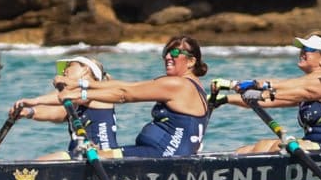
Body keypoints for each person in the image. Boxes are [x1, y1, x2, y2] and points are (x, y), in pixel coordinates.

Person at [70, 35, 214, 158]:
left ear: (191, 61)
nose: (168, 57)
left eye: (175, 53)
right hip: (158, 154)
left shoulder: (179, 84)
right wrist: (81, 84)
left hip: (164, 158)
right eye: (166, 52)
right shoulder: (193, 85)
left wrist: (80, 93)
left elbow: (125, 94)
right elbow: (129, 87)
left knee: (91, 155)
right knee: (99, 153)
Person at [222, 34, 321, 154]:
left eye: (308, 49)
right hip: (311, 143)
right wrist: (225, 98)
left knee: (277, 147)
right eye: (302, 49)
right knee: (249, 149)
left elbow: (283, 84)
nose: (302, 52)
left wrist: (239, 84)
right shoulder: (302, 88)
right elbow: (265, 101)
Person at [7, 55, 121, 161]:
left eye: (69, 66)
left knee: (35, 166)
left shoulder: (98, 92)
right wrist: (28, 112)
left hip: (102, 155)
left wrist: (34, 101)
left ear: (85, 69)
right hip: (80, 155)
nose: (64, 71)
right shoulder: (75, 104)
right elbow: (56, 112)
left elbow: (71, 96)